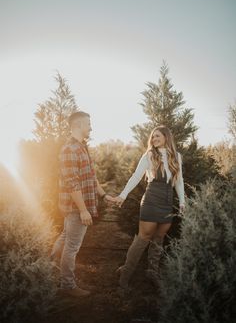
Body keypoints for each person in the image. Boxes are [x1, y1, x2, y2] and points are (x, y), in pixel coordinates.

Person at [51, 111, 114, 298]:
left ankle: (48, 269)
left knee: (65, 237)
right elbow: (72, 183)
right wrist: (83, 210)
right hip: (75, 208)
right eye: (88, 124)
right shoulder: (70, 150)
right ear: (78, 125)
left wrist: (104, 196)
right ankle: (67, 285)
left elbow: (91, 177)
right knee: (72, 246)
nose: (91, 127)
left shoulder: (82, 147)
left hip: (79, 206)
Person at [114, 125, 185, 290]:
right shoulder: (149, 155)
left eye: (158, 136)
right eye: (153, 137)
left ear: (166, 137)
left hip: (167, 202)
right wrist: (123, 195)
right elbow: (136, 176)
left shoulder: (177, 156)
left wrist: (182, 201)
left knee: (159, 239)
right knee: (143, 238)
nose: (154, 139)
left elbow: (179, 181)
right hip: (151, 201)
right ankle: (125, 275)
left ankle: (152, 272)